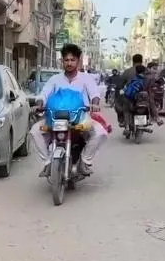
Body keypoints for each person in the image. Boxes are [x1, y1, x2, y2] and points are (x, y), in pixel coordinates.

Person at [30, 44, 109, 178]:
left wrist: (94, 105)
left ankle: (84, 161)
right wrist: (39, 104)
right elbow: (43, 94)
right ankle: (48, 163)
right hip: (55, 119)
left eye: (72, 60)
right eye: (66, 60)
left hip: (81, 118)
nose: (69, 63)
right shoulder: (55, 79)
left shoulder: (86, 78)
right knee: (34, 131)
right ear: (62, 61)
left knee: (100, 132)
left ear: (78, 61)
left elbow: (95, 94)